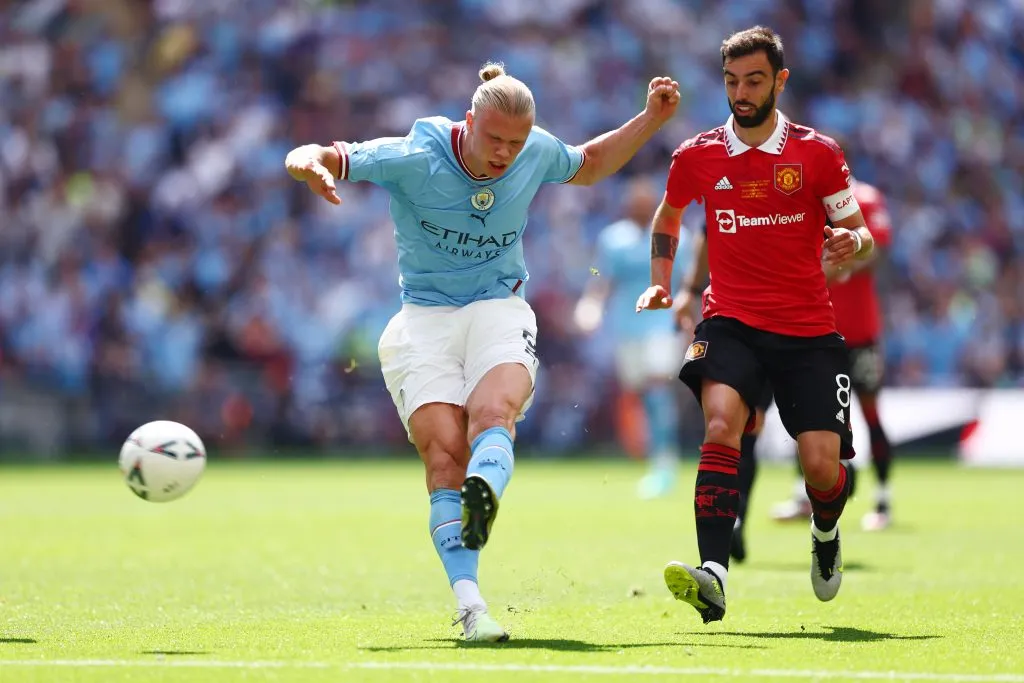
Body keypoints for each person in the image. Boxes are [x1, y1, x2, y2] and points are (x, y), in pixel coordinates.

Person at [285, 63, 680, 641]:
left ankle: (485, 492)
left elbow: (590, 164)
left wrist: (649, 119)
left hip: (498, 306)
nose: (504, 153)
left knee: (493, 416)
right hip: (423, 320)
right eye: (494, 139)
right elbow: (321, 153)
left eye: (515, 143)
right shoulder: (414, 153)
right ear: (468, 122)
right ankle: (472, 608)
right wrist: (309, 164)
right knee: (443, 459)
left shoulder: (534, 152)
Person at [635, 26, 874, 624]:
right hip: (729, 319)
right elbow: (669, 214)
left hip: (807, 330)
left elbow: (862, 235)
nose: (741, 93)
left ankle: (825, 530)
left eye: (755, 80)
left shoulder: (818, 153)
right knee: (722, 424)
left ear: (780, 81)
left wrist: (853, 240)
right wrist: (663, 280)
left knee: (822, 465)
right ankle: (713, 573)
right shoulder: (697, 154)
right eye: (732, 81)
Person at [770, 178, 895, 531]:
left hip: (858, 330)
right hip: (814, 330)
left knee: (871, 411)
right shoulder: (804, 201)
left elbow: (878, 252)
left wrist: (835, 267)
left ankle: (883, 501)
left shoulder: (867, 198)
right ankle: (801, 495)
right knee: (806, 415)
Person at [574, 177, 690, 499]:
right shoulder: (613, 239)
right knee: (640, 393)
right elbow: (599, 274)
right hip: (627, 327)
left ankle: (664, 465)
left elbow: (689, 278)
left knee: (656, 389)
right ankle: (655, 456)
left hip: (663, 325)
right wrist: (592, 302)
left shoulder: (677, 235)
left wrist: (691, 321)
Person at [671, 226, 774, 562]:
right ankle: (732, 522)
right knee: (727, 426)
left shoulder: (798, 184)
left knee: (753, 428)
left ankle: (739, 515)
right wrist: (689, 289)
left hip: (781, 324)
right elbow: (707, 232)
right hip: (727, 324)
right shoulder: (728, 180)